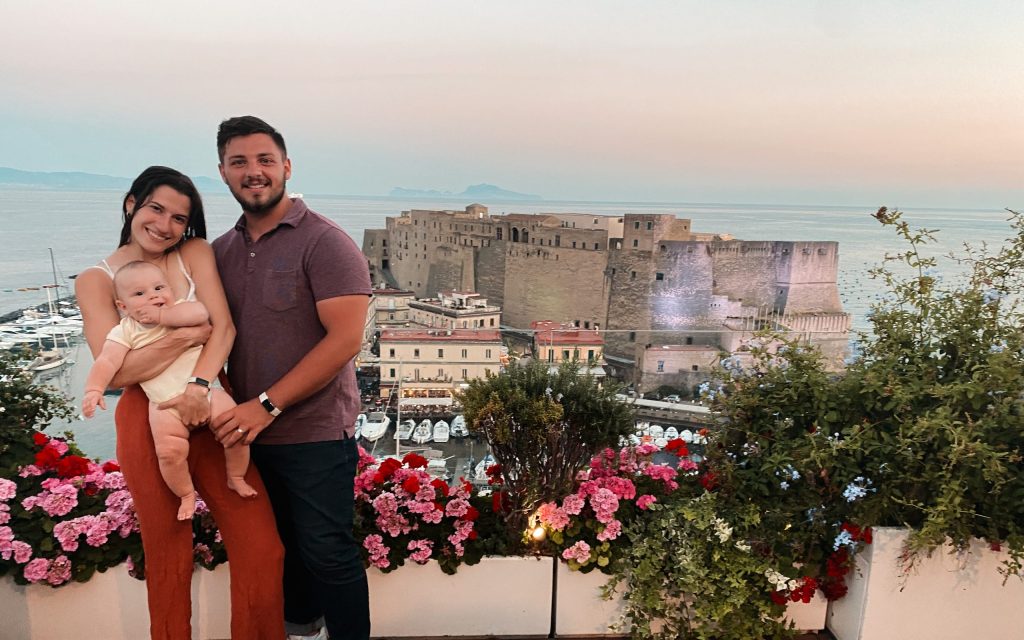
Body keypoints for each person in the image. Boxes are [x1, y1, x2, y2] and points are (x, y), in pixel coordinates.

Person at [75, 166, 285, 639]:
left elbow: (224, 328)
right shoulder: (97, 279)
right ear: (131, 204)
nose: (165, 224)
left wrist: (196, 384)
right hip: (146, 414)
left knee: (261, 545)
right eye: (155, 208)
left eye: (178, 216)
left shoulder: (193, 252)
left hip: (211, 396)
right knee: (168, 552)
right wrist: (189, 334)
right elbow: (117, 371)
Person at [210, 116, 372, 640]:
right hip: (246, 437)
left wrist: (267, 404)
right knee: (278, 551)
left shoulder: (325, 243)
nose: (253, 172)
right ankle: (301, 631)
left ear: (286, 166)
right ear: (223, 172)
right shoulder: (221, 252)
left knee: (327, 552)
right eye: (239, 162)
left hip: (315, 433)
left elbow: (344, 340)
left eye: (264, 160)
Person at [81, 261, 257, 521]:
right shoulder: (125, 330)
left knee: (234, 431)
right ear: (123, 307)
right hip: (162, 405)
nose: (153, 295)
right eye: (139, 294)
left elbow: (200, 315)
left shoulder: (179, 312)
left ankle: (236, 476)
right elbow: (108, 361)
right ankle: (186, 493)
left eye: (159, 287)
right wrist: (94, 389)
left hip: (207, 392)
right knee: (169, 453)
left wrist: (163, 317)